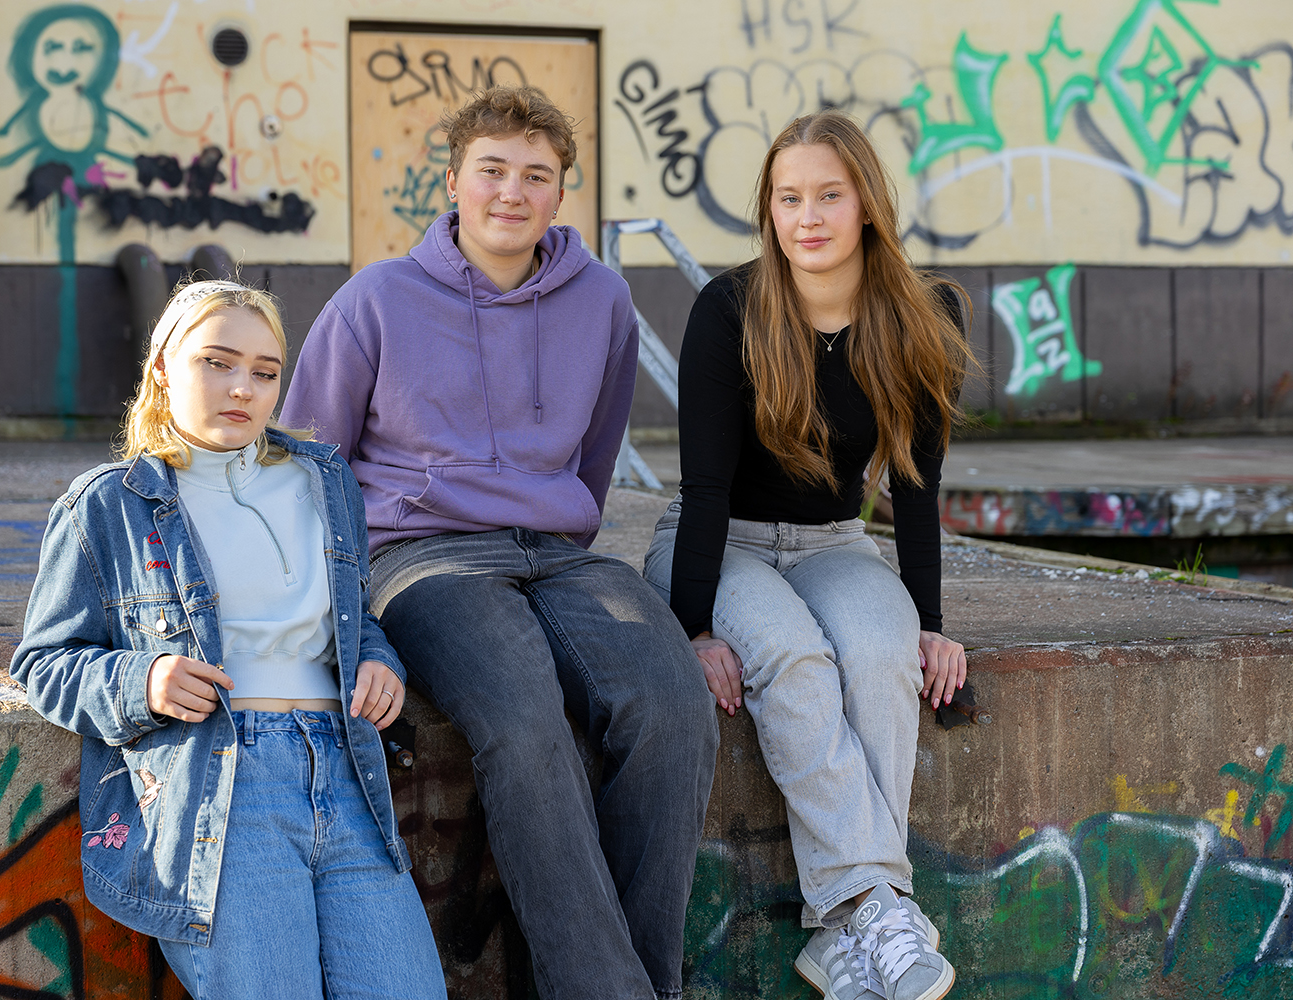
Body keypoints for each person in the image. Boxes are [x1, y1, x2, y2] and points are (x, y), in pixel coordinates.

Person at [281, 86, 717, 1000]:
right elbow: (308, 465)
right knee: (522, 721)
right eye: (492, 170)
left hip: (557, 553)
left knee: (674, 702)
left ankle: (645, 982)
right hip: (422, 555)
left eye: (537, 175)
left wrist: (558, 529)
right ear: (452, 182)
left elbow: (596, 454)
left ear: (560, 192)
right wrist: (342, 609)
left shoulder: (602, 300)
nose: (512, 192)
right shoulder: (376, 300)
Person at [11, 279, 447, 1000]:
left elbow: (351, 616)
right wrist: (142, 681)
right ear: (162, 368)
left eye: (265, 372)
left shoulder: (324, 480)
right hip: (222, 784)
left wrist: (377, 659)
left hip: (346, 773)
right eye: (216, 363)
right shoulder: (109, 504)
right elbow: (43, 664)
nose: (243, 388)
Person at [642, 109, 972, 1000]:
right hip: (720, 543)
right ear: (769, 210)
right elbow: (705, 489)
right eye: (788, 198)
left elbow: (915, 484)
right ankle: (875, 905)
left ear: (867, 202)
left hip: (835, 543)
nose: (808, 216)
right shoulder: (730, 310)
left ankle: (840, 935)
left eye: (829, 194)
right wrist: (695, 627)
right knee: (792, 656)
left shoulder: (926, 315)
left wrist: (929, 623)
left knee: (881, 652)